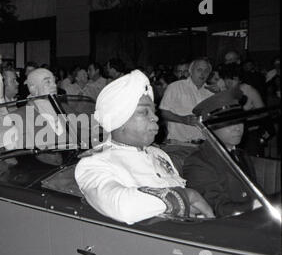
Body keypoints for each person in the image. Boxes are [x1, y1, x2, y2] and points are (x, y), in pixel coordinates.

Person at [75, 70, 214, 225]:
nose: (155, 117)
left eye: (153, 111)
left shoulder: (158, 154)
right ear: (118, 120)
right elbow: (123, 207)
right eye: (143, 112)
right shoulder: (94, 162)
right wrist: (186, 197)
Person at [183, 89, 261, 217]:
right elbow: (215, 208)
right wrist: (257, 205)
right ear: (210, 127)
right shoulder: (198, 162)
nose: (237, 127)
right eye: (229, 123)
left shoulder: (241, 155)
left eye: (239, 120)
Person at [159, 58, 214, 145]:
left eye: (206, 71)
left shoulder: (211, 92)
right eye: (199, 70)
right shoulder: (175, 87)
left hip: (205, 145)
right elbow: (164, 113)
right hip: (180, 144)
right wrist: (183, 119)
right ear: (190, 71)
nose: (203, 74)